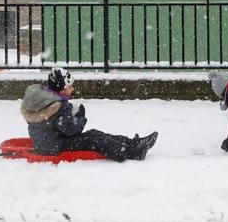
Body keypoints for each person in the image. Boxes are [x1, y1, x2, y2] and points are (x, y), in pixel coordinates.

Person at [20, 67, 158, 161]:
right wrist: (80, 117)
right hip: (56, 146)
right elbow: (71, 130)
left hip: (45, 144)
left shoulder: (41, 100)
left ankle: (132, 143)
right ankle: (131, 152)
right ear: (62, 88)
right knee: (93, 138)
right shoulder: (58, 105)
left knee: (94, 134)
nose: (73, 89)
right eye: (70, 86)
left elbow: (56, 126)